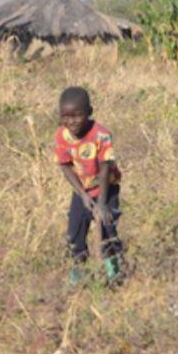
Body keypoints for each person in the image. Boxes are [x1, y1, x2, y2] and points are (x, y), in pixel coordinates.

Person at [54, 86, 124, 286]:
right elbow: (65, 166)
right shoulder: (62, 136)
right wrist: (83, 196)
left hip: (106, 190)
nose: (71, 122)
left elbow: (105, 169)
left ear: (89, 112)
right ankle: (79, 272)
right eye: (65, 116)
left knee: (107, 229)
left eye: (76, 116)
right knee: (75, 232)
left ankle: (114, 273)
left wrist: (101, 204)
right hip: (82, 190)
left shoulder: (101, 135)